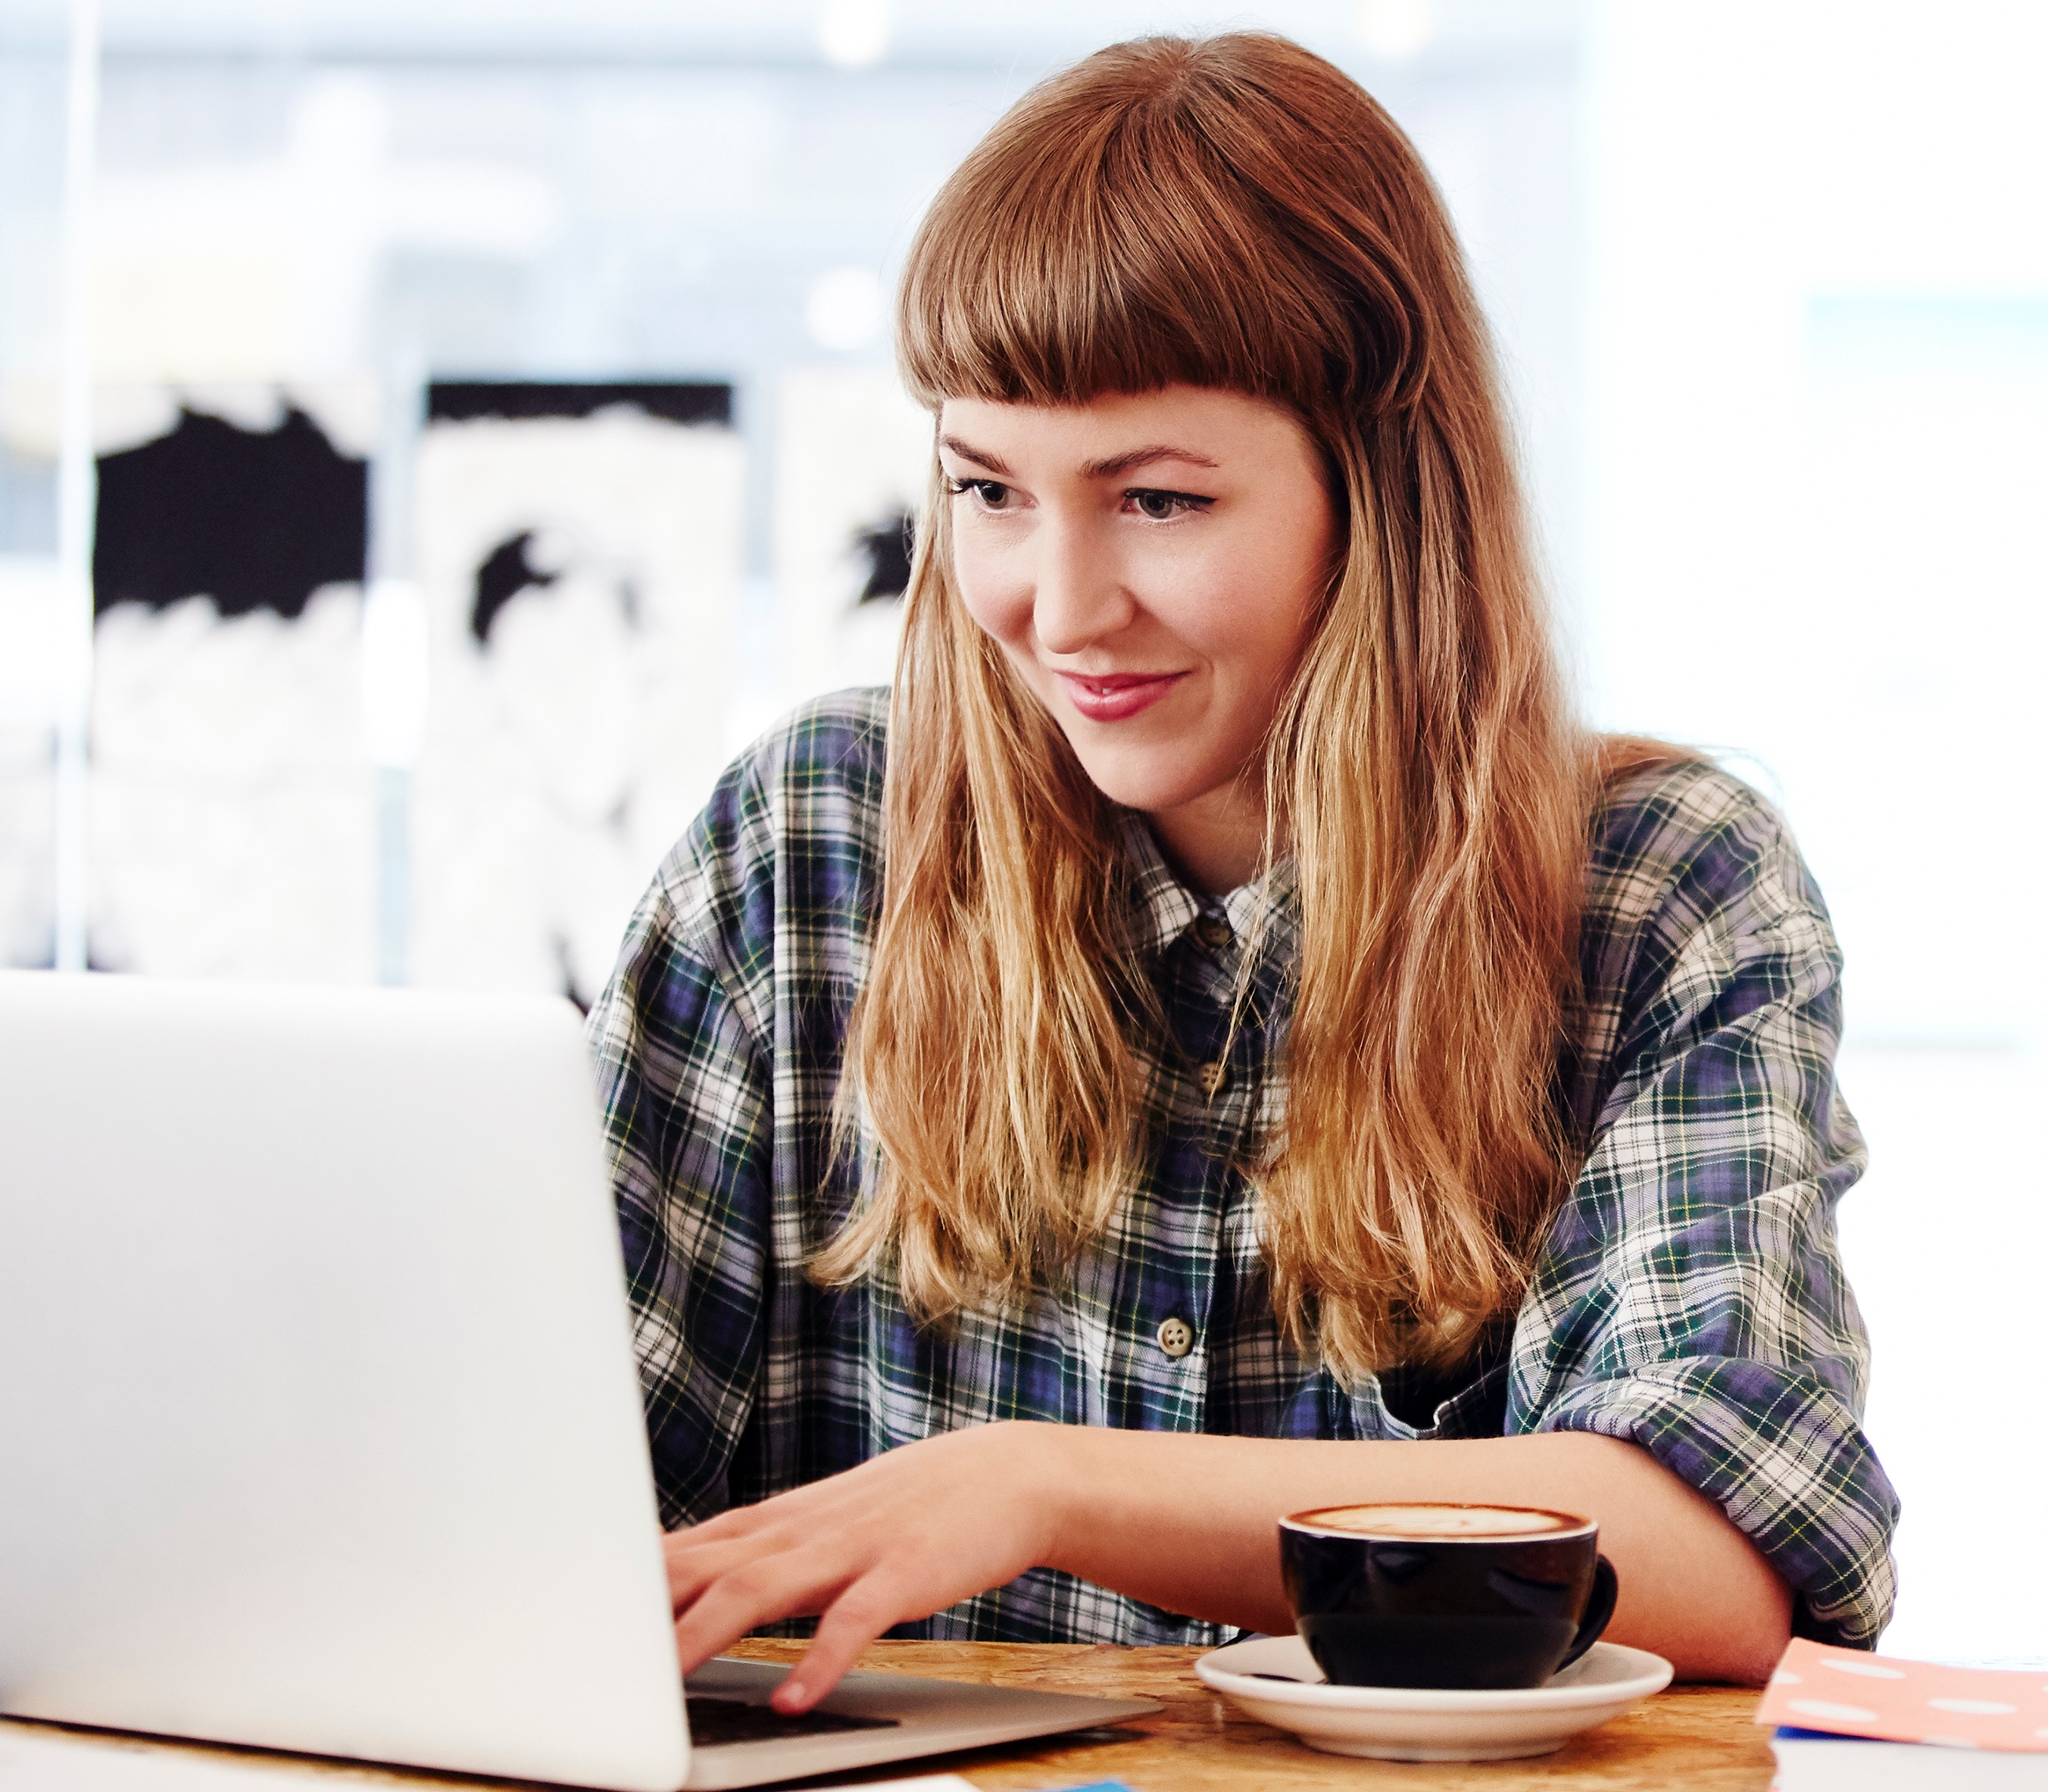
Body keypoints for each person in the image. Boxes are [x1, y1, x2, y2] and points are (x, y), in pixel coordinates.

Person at [590, 32, 1891, 1715]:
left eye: (1157, 501)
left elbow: (1717, 1550)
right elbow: (540, 1479)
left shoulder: (1658, 892)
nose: (1059, 611)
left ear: (1380, 491)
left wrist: (1044, 1486)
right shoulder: (807, 844)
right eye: (988, 489)